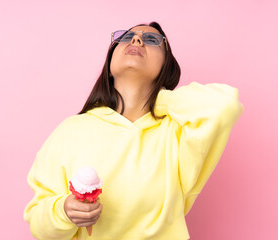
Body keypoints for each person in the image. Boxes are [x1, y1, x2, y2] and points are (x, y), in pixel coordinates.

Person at [24, 21, 244, 240]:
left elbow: (225, 105)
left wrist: (155, 96)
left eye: (152, 40)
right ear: (110, 62)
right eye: (126, 37)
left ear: (166, 66)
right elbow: (39, 225)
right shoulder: (70, 130)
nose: (136, 40)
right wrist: (64, 211)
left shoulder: (176, 132)